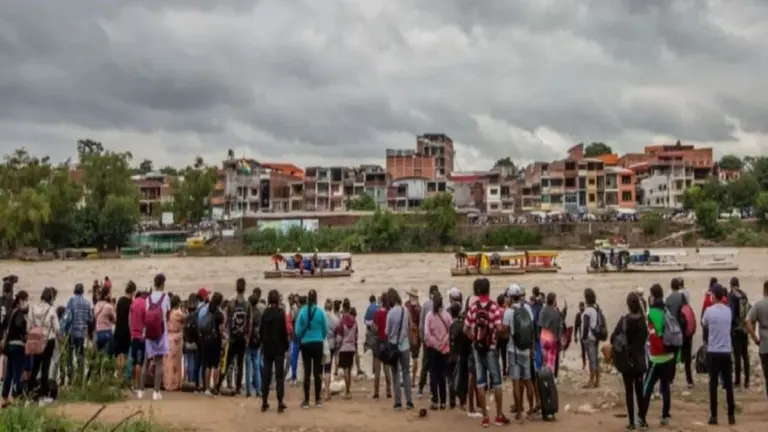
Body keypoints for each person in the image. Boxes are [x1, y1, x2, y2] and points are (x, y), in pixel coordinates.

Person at [465, 278, 509, 427]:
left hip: (477, 349)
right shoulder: (493, 307)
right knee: (497, 383)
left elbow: (466, 329)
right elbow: (498, 327)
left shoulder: (473, 307)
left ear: (478, 291)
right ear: (489, 290)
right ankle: (498, 416)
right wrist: (504, 329)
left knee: (480, 383)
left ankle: (485, 417)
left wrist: (474, 341)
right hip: (491, 348)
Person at [610, 292, 649, 431]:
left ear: (628, 305)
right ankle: (642, 420)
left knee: (629, 391)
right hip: (639, 360)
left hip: (627, 360)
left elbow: (612, 338)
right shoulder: (643, 322)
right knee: (640, 391)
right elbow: (646, 338)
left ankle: (632, 422)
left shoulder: (624, 321)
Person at [639, 283, 675, 427]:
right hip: (669, 356)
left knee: (647, 387)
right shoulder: (667, 312)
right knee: (665, 387)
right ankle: (665, 416)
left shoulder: (651, 314)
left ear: (652, 297)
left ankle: (642, 418)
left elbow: (648, 335)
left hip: (656, 357)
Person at [702, 284, 736, 425]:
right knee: (728, 385)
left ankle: (714, 416)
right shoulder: (728, 311)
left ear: (714, 296)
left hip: (713, 351)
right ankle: (731, 415)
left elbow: (704, 324)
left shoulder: (709, 311)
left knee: (713, 384)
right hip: (726, 351)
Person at [503, 283, 536, 422]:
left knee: (516, 383)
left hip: (513, 351)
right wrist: (532, 349)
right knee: (528, 381)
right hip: (526, 350)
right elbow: (532, 329)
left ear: (510, 297)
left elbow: (505, 333)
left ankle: (518, 413)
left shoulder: (508, 312)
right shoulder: (527, 308)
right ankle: (531, 410)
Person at [139, 274, 171, 401]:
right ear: (163, 284)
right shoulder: (166, 297)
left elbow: (146, 314)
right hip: (160, 333)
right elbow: (167, 315)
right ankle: (156, 392)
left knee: (146, 362)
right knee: (158, 363)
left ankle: (141, 390)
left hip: (149, 333)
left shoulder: (148, 298)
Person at [295, 289, 328, 408]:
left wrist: (303, 337)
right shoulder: (320, 312)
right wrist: (320, 337)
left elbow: (297, 330)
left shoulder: (303, 312)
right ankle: (318, 399)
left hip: (306, 344)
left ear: (308, 299)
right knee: (317, 372)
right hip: (318, 343)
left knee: (307, 372)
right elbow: (325, 328)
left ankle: (307, 400)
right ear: (316, 299)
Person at [218, 278, 252, 395]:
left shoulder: (231, 303)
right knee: (240, 363)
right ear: (245, 288)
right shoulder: (247, 305)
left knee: (227, 362)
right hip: (242, 338)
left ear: (236, 288)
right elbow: (249, 322)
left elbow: (225, 320)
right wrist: (248, 336)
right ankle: (238, 387)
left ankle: (218, 385)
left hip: (232, 338)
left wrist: (223, 332)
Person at [27, 287, 59, 404]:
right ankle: (43, 395)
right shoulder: (51, 310)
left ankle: (30, 393)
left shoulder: (33, 308)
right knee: (45, 368)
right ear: (51, 298)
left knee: (35, 367)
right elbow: (57, 328)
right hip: (48, 341)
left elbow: (28, 326)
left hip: (36, 339)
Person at [260, 289, 289, 413]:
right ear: (277, 300)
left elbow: (261, 331)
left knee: (266, 374)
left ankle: (264, 401)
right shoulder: (281, 313)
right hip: (279, 348)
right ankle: (280, 401)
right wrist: (286, 346)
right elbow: (284, 332)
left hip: (267, 347)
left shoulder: (265, 313)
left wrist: (263, 342)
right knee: (279, 376)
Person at [386, 288, 414, 410]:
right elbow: (409, 327)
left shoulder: (390, 313)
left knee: (395, 374)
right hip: (405, 345)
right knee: (406, 373)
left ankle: (398, 402)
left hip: (393, 346)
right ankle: (409, 401)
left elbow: (387, 331)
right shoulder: (405, 310)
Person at [424, 293, 452, 410]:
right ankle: (443, 401)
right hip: (444, 349)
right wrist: (443, 343)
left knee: (433, 375)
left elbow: (427, 334)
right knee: (442, 376)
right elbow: (451, 332)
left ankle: (435, 401)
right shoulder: (447, 315)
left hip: (432, 349)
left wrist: (435, 344)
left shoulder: (429, 316)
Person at [1, 290, 29, 407]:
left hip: (9, 346)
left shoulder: (9, 312)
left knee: (9, 373)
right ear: (21, 300)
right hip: (18, 346)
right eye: (26, 300)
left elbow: (2, 326)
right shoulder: (19, 313)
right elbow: (18, 325)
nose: (26, 303)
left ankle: (5, 397)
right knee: (18, 373)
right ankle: (18, 398)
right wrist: (24, 335)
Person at [666, 278, 693, 388]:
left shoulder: (668, 299)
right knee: (687, 358)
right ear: (679, 286)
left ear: (671, 287)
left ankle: (670, 380)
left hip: (674, 332)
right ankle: (689, 381)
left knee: (672, 357)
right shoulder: (683, 297)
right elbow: (687, 311)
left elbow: (666, 317)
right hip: (685, 332)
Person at [64, 283, 94, 384]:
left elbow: (67, 318)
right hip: (82, 334)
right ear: (82, 291)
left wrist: (64, 331)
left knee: (70, 357)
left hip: (72, 333)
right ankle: (80, 379)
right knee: (81, 356)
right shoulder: (87, 303)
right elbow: (91, 318)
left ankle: (70, 378)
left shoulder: (71, 301)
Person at [744, 280, 768, 401]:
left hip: (764, 345)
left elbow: (747, 321)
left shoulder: (758, 305)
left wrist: (754, 337)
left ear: (764, 290)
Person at [199, 292, 225, 396]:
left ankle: (206, 388)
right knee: (216, 365)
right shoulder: (219, 314)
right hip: (216, 341)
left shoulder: (205, 310)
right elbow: (222, 329)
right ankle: (215, 387)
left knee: (207, 365)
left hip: (205, 340)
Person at [727, 277, 750, 389]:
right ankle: (747, 380)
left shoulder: (731, 296)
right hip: (744, 329)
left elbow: (730, 314)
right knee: (745, 356)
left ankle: (737, 381)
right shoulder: (744, 295)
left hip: (736, 330)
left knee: (737, 356)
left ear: (731, 285)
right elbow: (749, 310)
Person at [418, 285, 439, 398]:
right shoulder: (440, 305)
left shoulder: (425, 305)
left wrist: (422, 339)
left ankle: (421, 388)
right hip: (436, 341)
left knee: (425, 365)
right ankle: (432, 389)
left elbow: (421, 324)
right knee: (434, 366)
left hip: (427, 340)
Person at [113, 282, 136, 382]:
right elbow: (131, 319)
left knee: (119, 355)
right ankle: (123, 378)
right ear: (132, 292)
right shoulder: (130, 303)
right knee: (125, 356)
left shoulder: (120, 301)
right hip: (126, 331)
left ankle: (119, 375)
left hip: (118, 330)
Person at [336, 298, 358, 399]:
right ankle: (349, 390)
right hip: (352, 347)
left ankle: (347, 391)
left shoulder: (342, 321)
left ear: (343, 308)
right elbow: (356, 335)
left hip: (344, 347)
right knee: (349, 368)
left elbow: (339, 337)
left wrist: (338, 345)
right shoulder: (354, 321)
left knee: (345, 369)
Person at [372, 292, 392, 399]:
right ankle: (389, 390)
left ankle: (376, 391)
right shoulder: (389, 314)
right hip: (387, 342)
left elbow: (374, 328)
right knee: (387, 368)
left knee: (377, 369)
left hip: (378, 342)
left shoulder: (377, 314)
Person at [581, 288, 601, 388]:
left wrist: (583, 338)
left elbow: (585, 326)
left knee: (591, 359)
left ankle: (591, 381)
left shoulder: (587, 311)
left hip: (589, 338)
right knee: (596, 359)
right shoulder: (595, 310)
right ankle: (597, 380)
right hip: (596, 337)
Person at [163, 295, 184, 392]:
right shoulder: (178, 313)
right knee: (176, 362)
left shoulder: (168, 313)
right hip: (176, 337)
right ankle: (174, 383)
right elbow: (185, 319)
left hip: (168, 337)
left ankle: (167, 382)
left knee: (168, 361)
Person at [129, 289, 148, 392]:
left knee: (133, 360)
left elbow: (130, 319)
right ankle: (138, 384)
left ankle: (132, 383)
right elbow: (146, 320)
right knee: (139, 362)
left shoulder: (133, 303)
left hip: (133, 335)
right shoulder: (145, 304)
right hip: (141, 336)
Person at [245, 293, 263, 398]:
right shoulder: (259, 313)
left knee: (248, 366)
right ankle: (258, 390)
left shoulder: (248, 313)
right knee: (256, 366)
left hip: (249, 341)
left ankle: (248, 390)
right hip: (257, 342)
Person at [538, 292, 562, 372]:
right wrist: (559, 339)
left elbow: (539, 324)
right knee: (551, 360)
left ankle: (542, 376)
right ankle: (550, 378)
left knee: (544, 359)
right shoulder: (556, 313)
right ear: (554, 301)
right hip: (552, 338)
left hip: (543, 337)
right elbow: (558, 328)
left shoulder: (543, 310)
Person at [405, 289, 422, 389]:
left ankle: (408, 378)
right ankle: (413, 380)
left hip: (407, 334)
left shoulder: (406, 305)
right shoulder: (419, 308)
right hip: (416, 335)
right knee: (415, 358)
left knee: (406, 357)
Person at [323, 298, 340, 400]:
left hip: (322, 343)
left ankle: (322, 389)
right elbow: (337, 334)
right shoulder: (336, 319)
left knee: (320, 367)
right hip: (331, 344)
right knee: (328, 369)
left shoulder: (321, 316)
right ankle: (327, 391)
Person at [182, 294, 199, 388]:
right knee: (195, 362)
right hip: (195, 341)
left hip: (188, 341)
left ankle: (189, 380)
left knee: (189, 361)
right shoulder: (197, 314)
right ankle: (194, 380)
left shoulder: (186, 316)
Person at [93, 288, 116, 354]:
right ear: (107, 295)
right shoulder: (109, 306)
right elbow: (115, 319)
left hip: (98, 332)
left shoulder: (96, 305)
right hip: (107, 332)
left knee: (99, 354)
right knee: (108, 355)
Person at [573, 301, 586, 370]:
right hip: (581, 335)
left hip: (587, 335)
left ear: (584, 306)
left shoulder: (587, 314)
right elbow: (576, 326)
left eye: (582, 306)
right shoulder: (578, 315)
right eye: (580, 306)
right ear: (579, 307)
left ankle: (590, 362)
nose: (581, 307)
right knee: (583, 349)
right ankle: (584, 363)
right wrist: (575, 336)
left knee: (588, 349)